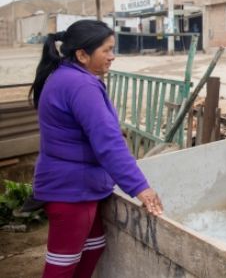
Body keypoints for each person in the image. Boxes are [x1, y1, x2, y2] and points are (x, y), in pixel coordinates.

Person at [29, 20, 163, 278]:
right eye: (107, 50)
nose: (112, 57)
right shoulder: (81, 85)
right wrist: (140, 188)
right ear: (82, 54)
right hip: (71, 191)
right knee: (62, 264)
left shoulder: (66, 76)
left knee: (93, 247)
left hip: (77, 187)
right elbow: (109, 143)